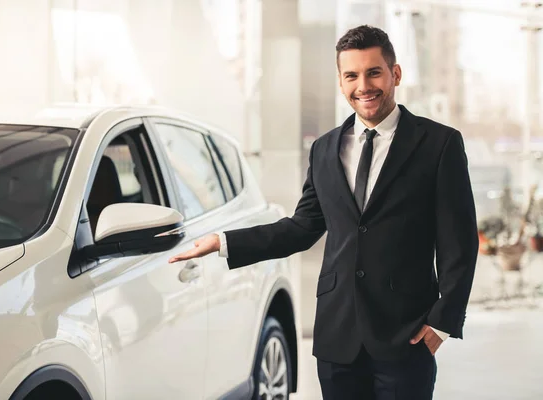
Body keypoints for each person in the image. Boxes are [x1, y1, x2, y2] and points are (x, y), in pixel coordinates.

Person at [169, 24, 478, 400]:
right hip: (337, 338)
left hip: (405, 335)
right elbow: (301, 228)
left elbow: (458, 241)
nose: (363, 85)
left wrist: (443, 322)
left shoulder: (439, 144)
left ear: (395, 74)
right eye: (352, 75)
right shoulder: (324, 149)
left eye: (373, 72)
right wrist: (222, 241)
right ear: (341, 81)